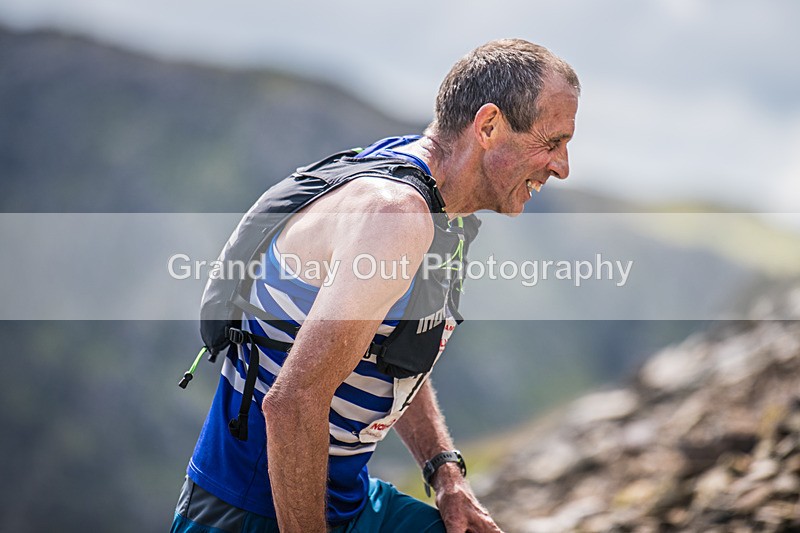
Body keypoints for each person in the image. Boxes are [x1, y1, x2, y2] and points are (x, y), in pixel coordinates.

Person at [172, 38, 579, 533]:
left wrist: (445, 472)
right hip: (257, 512)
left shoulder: (437, 196)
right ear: (488, 126)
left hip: (348, 498)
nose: (562, 166)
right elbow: (291, 402)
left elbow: (386, 347)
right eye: (552, 141)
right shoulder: (396, 217)